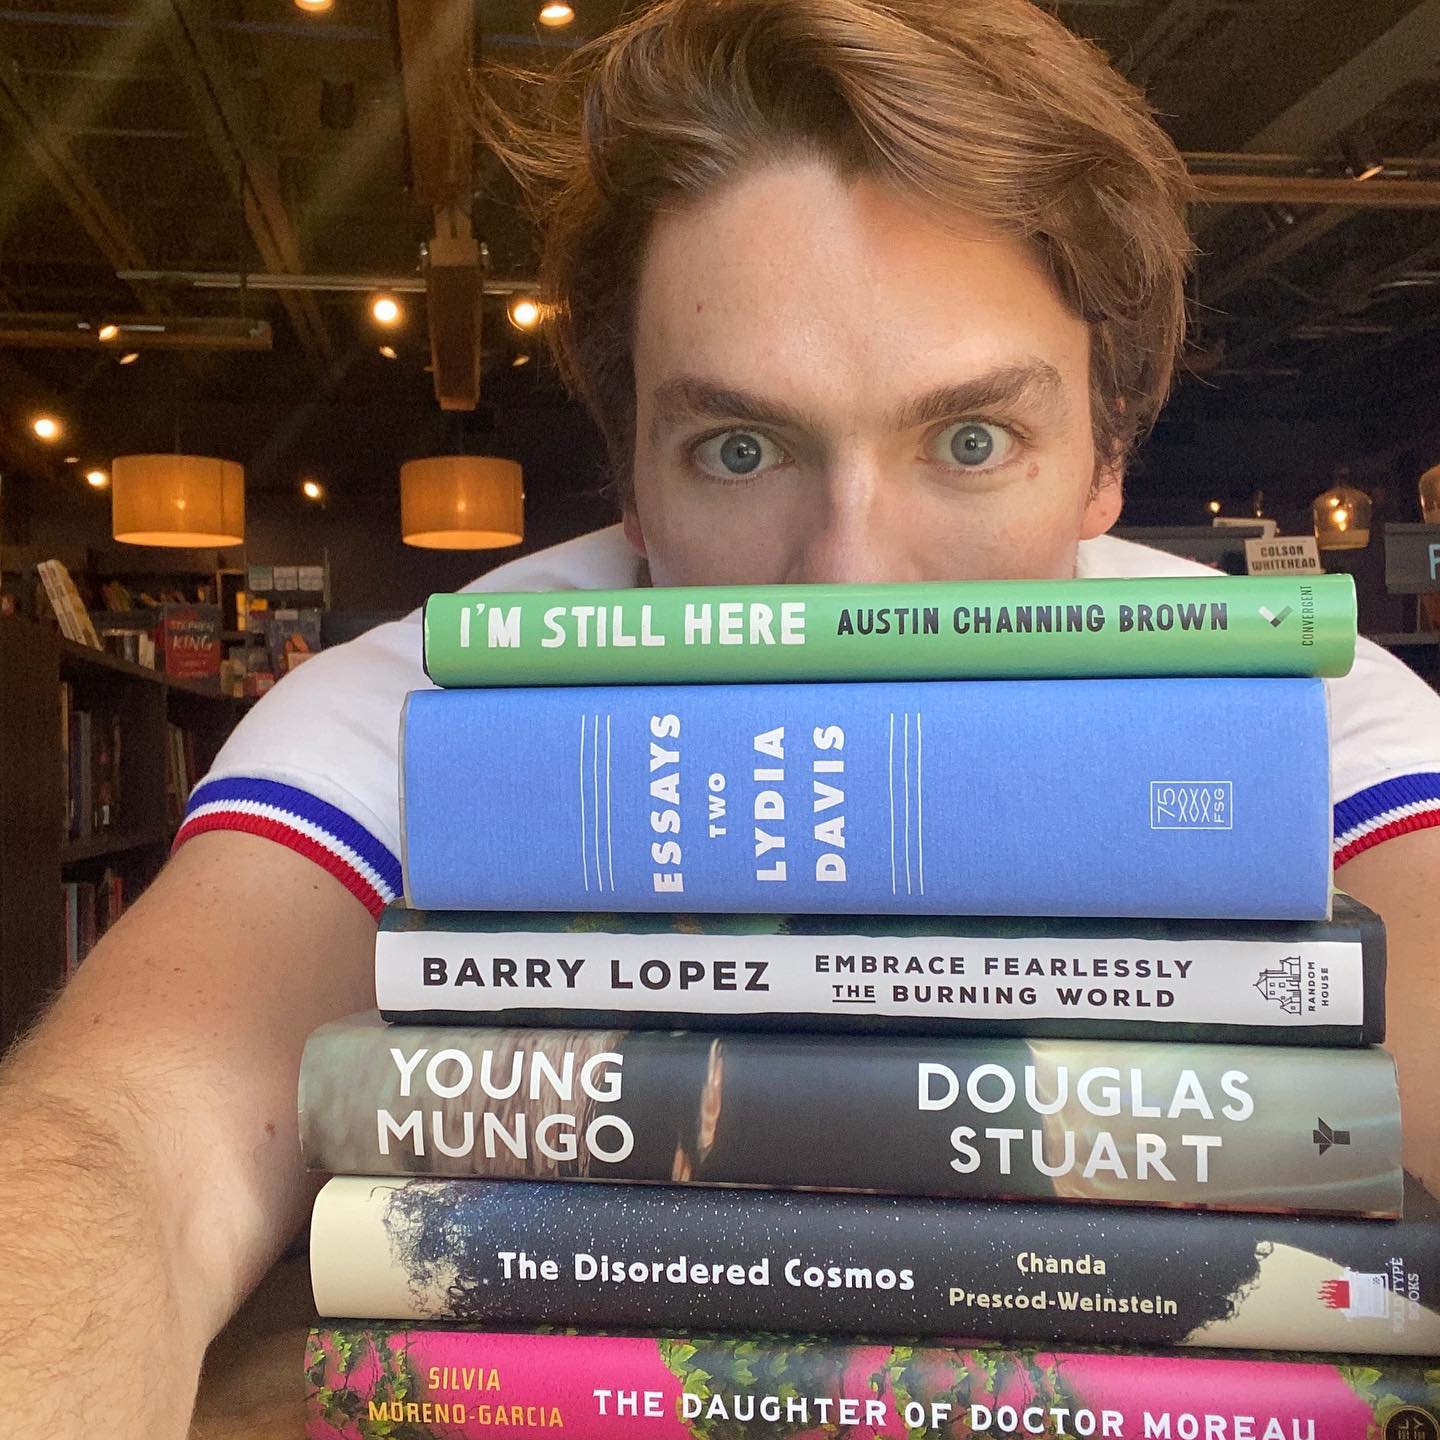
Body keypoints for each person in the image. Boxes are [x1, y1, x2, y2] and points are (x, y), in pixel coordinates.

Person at [4, 0, 1439, 1433]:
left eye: (972, 440)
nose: (851, 581)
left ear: (1105, 459)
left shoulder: (1291, 700)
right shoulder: (432, 706)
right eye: (740, 448)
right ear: (633, 475)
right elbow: (121, 1145)